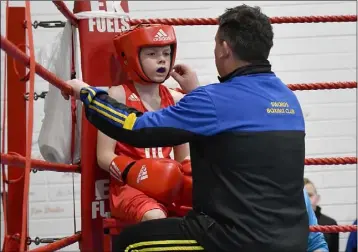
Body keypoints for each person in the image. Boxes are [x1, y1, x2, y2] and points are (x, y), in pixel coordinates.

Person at [64, 4, 309, 252]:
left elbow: (137, 127)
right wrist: (196, 94)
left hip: (236, 239)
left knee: (130, 243)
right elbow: (236, 127)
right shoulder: (288, 99)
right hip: (293, 238)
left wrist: (89, 96)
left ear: (224, 48)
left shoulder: (212, 101)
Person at [96, 24, 192, 225]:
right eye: (152, 53)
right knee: (155, 217)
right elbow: (103, 155)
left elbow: (183, 158)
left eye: (167, 53)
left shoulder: (175, 99)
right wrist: (138, 173)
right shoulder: (118, 95)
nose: (162, 59)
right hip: (129, 189)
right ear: (132, 56)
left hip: (169, 185)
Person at [304, 178, 339, 252]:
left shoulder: (331, 223)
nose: (306, 199)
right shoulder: (291, 223)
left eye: (309, 195)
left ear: (317, 198)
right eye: (303, 196)